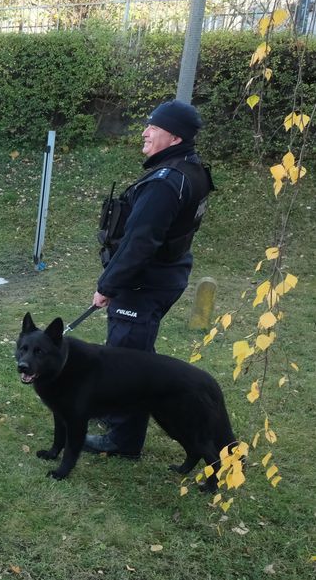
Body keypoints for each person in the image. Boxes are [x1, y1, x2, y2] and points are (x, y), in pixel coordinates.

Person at [84, 99, 213, 458]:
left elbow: (140, 242)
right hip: (166, 275)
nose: (145, 132)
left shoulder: (166, 182)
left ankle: (123, 440)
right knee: (133, 352)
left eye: (152, 127)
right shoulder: (191, 169)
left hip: (144, 282)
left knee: (127, 361)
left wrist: (108, 286)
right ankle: (115, 413)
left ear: (174, 137)